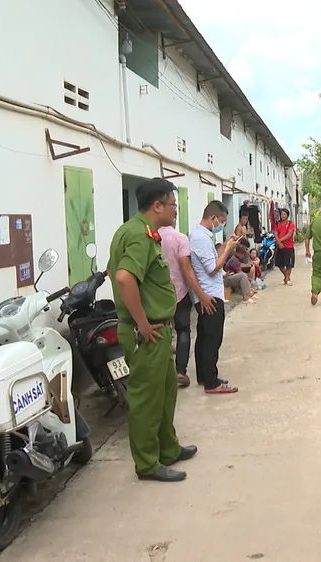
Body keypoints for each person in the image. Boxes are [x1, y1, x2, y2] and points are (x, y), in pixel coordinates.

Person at [107, 178, 196, 483]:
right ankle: (147, 463)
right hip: (146, 333)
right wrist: (142, 323)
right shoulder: (139, 235)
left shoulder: (134, 231)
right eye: (173, 205)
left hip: (157, 331)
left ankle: (167, 448)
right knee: (146, 399)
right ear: (157, 205)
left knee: (166, 391)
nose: (175, 210)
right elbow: (123, 278)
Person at [189, 201, 241, 395]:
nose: (222, 225)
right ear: (213, 218)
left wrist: (227, 245)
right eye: (222, 221)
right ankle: (211, 382)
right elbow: (212, 268)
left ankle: (205, 376)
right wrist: (227, 250)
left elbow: (212, 259)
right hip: (210, 296)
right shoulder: (200, 238)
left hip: (208, 293)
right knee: (212, 339)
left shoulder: (202, 237)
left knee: (204, 337)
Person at [159, 219, 211, 389]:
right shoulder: (180, 238)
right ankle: (180, 371)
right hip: (179, 292)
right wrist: (200, 293)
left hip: (157, 295)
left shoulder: (151, 236)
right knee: (183, 330)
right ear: (173, 219)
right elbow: (187, 269)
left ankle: (161, 373)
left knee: (161, 331)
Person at [274, 208, 296, 285]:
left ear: (287, 215)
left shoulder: (291, 224)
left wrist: (280, 240)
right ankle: (287, 277)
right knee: (279, 264)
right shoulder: (278, 224)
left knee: (289, 264)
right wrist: (278, 242)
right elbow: (276, 233)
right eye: (281, 214)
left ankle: (287, 279)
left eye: (284, 214)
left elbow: (289, 234)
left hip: (288, 246)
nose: (282, 216)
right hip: (280, 246)